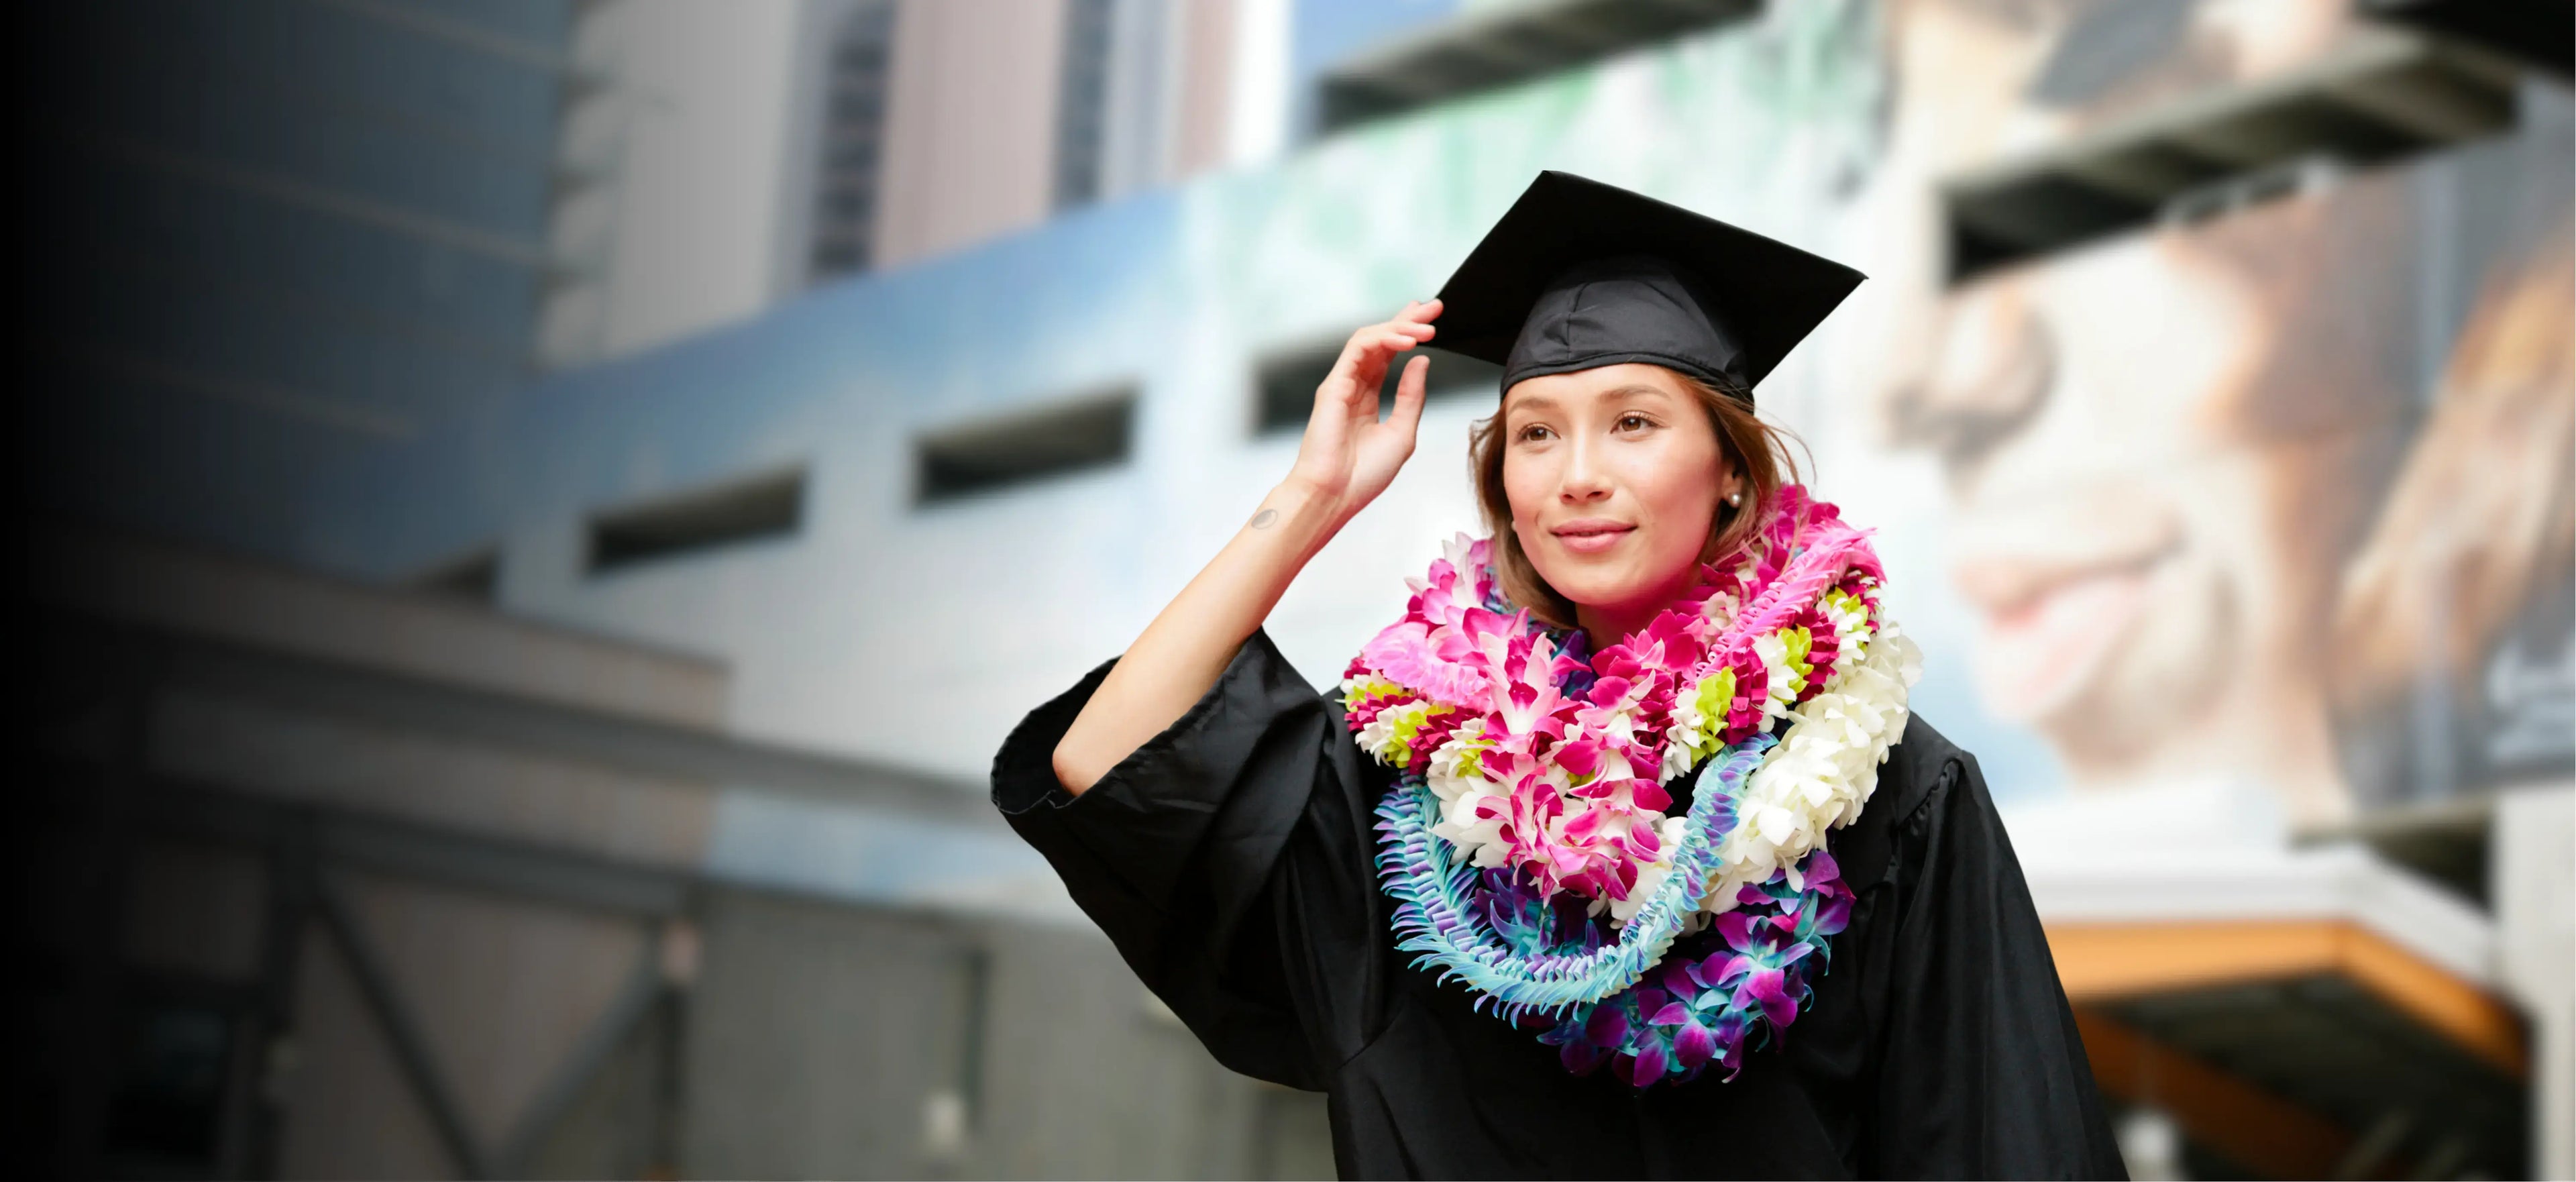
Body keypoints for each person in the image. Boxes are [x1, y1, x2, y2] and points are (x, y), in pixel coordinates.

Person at [991, 172, 2126, 1179]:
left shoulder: (1887, 792)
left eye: (1632, 422)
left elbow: (1999, 1138)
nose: (1577, 474)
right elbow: (1106, 759)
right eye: (1535, 433)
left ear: (1731, 469)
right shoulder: (1408, 776)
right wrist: (1310, 499)